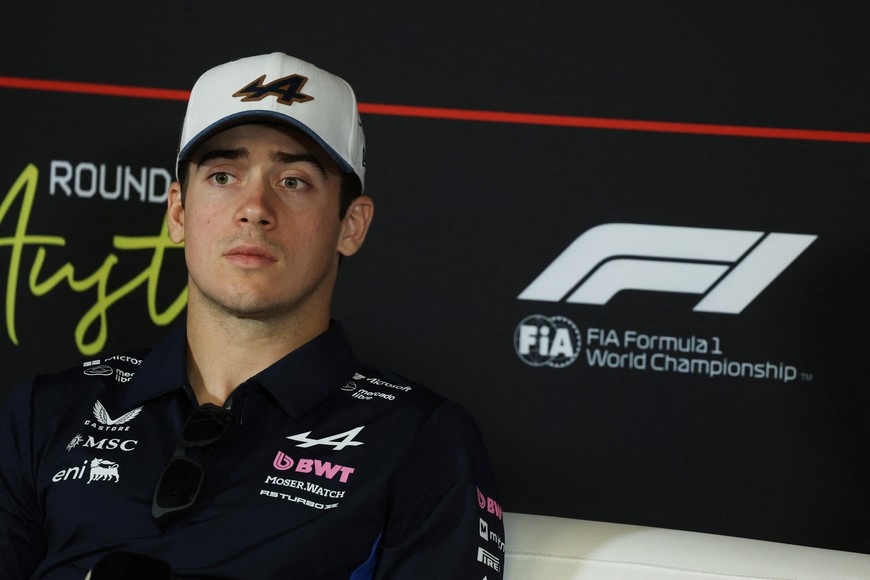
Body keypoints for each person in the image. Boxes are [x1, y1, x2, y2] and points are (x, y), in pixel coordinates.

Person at [0, 52, 505, 579]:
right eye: (223, 176)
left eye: (294, 181)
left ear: (351, 226)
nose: (254, 206)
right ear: (178, 211)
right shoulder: (46, 413)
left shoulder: (419, 438)